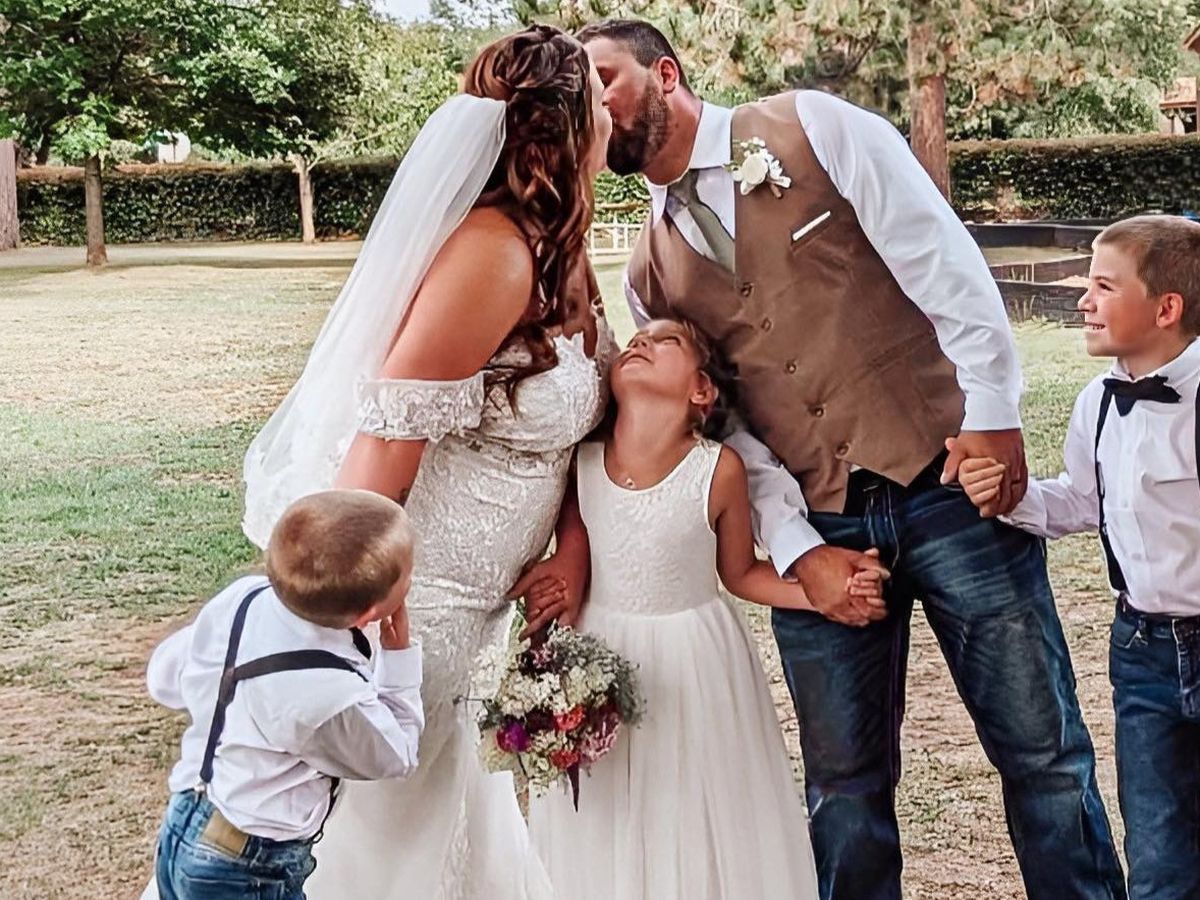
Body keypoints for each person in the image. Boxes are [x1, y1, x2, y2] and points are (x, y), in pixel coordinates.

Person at [573, 18, 1125, 900]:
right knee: (842, 788)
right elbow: (729, 429)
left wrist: (992, 412)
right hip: (823, 520)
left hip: (951, 483)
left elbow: (941, 259)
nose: (591, 99)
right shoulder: (648, 273)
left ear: (665, 73)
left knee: (1043, 755)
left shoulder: (811, 126)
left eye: (603, 76)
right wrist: (800, 552)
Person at [239, 24, 615, 900]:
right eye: (598, 99)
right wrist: (335, 618)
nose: (609, 117)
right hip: (418, 605)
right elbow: (384, 443)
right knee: (382, 835)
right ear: (564, 127)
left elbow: (580, 433)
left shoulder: (555, 247)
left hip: (486, 610)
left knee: (450, 827)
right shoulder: (491, 255)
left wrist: (569, 546)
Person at [529, 318, 884, 900]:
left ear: (702, 390)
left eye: (664, 341)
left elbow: (739, 574)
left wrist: (820, 595)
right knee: (608, 804)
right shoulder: (582, 463)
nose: (640, 343)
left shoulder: (718, 469)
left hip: (692, 660)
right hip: (601, 650)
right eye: (636, 341)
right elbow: (574, 556)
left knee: (687, 801)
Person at [959, 215, 1200, 900]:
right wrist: (1007, 495)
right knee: (1158, 851)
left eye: (1103, 286)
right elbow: (1079, 503)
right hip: (1144, 654)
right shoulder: (1097, 402)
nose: (1083, 299)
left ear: (1166, 309)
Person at [150, 489, 423, 900]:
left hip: (184, 818)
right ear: (368, 613)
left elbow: (165, 678)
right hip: (248, 866)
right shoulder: (326, 695)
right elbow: (396, 755)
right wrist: (398, 661)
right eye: (408, 574)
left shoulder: (243, 597)